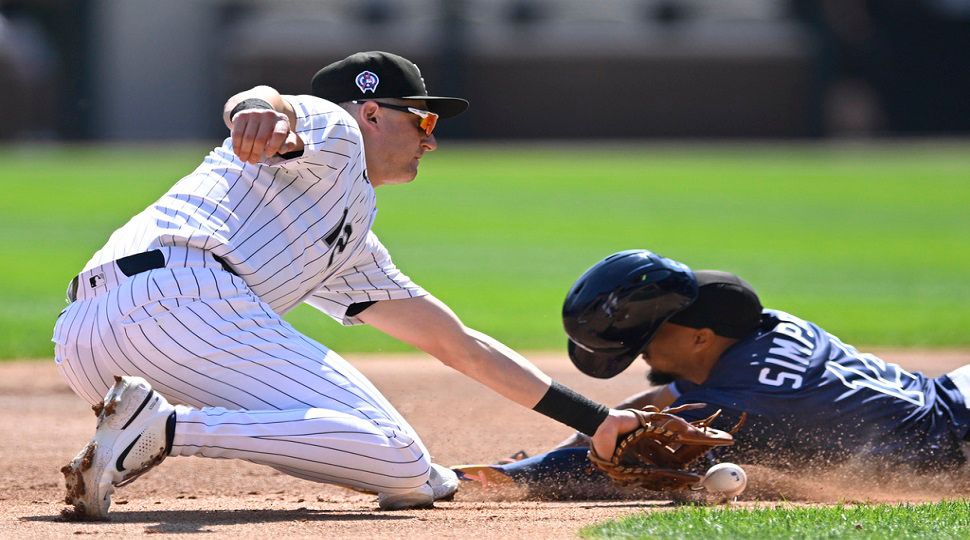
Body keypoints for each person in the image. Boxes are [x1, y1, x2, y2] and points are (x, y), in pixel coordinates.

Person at [53, 51, 648, 519]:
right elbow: (276, 106)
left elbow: (457, 344)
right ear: (370, 112)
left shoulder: (346, 235)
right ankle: (161, 430)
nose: (430, 138)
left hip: (88, 341)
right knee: (405, 460)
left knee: (416, 476)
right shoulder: (336, 131)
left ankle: (141, 430)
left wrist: (597, 422)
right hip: (181, 302)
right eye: (422, 118)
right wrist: (254, 108)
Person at [453, 250, 970, 497]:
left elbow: (609, 463)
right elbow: (649, 404)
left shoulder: (738, 401)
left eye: (650, 336)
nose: (641, 352)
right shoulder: (759, 330)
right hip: (953, 391)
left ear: (699, 336)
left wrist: (510, 475)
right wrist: (582, 431)